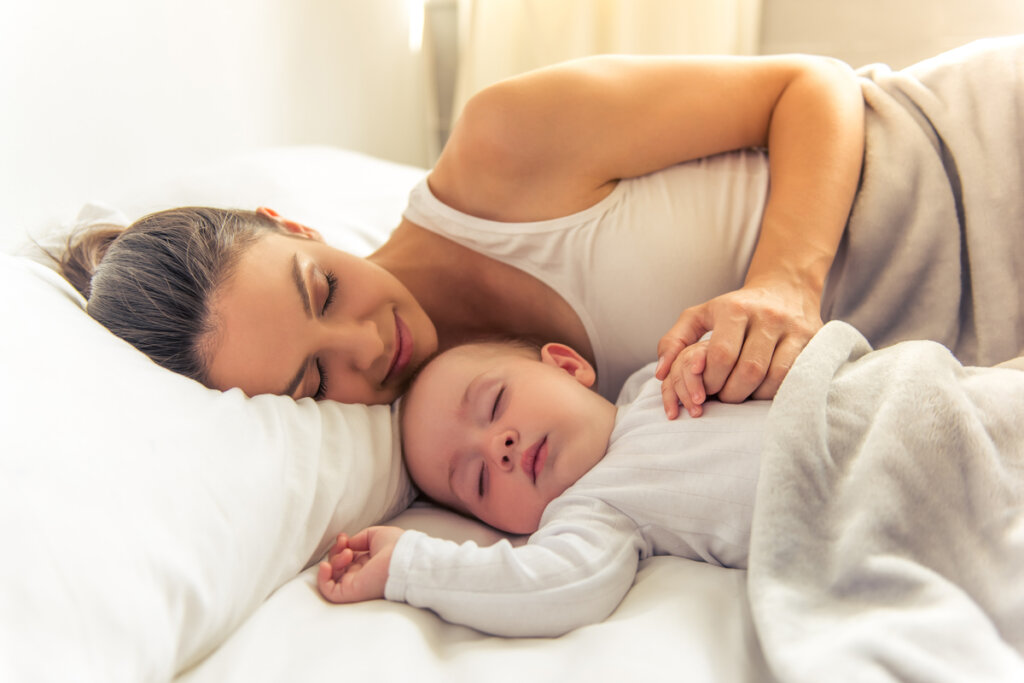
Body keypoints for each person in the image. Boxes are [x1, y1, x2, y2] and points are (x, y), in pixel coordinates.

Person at [56, 37, 1024, 418]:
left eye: (324, 290)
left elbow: (810, 85)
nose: (366, 345)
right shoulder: (461, 431)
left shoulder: (500, 149)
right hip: (986, 339)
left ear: (294, 225)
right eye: (316, 378)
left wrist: (784, 282)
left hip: (974, 155)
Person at [315, 336, 769, 636]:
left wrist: (713, 353)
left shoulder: (663, 377)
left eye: (496, 402)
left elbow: (767, 341)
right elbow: (551, 587)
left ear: (568, 366)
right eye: (479, 480)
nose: (497, 447)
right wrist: (408, 564)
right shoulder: (594, 511)